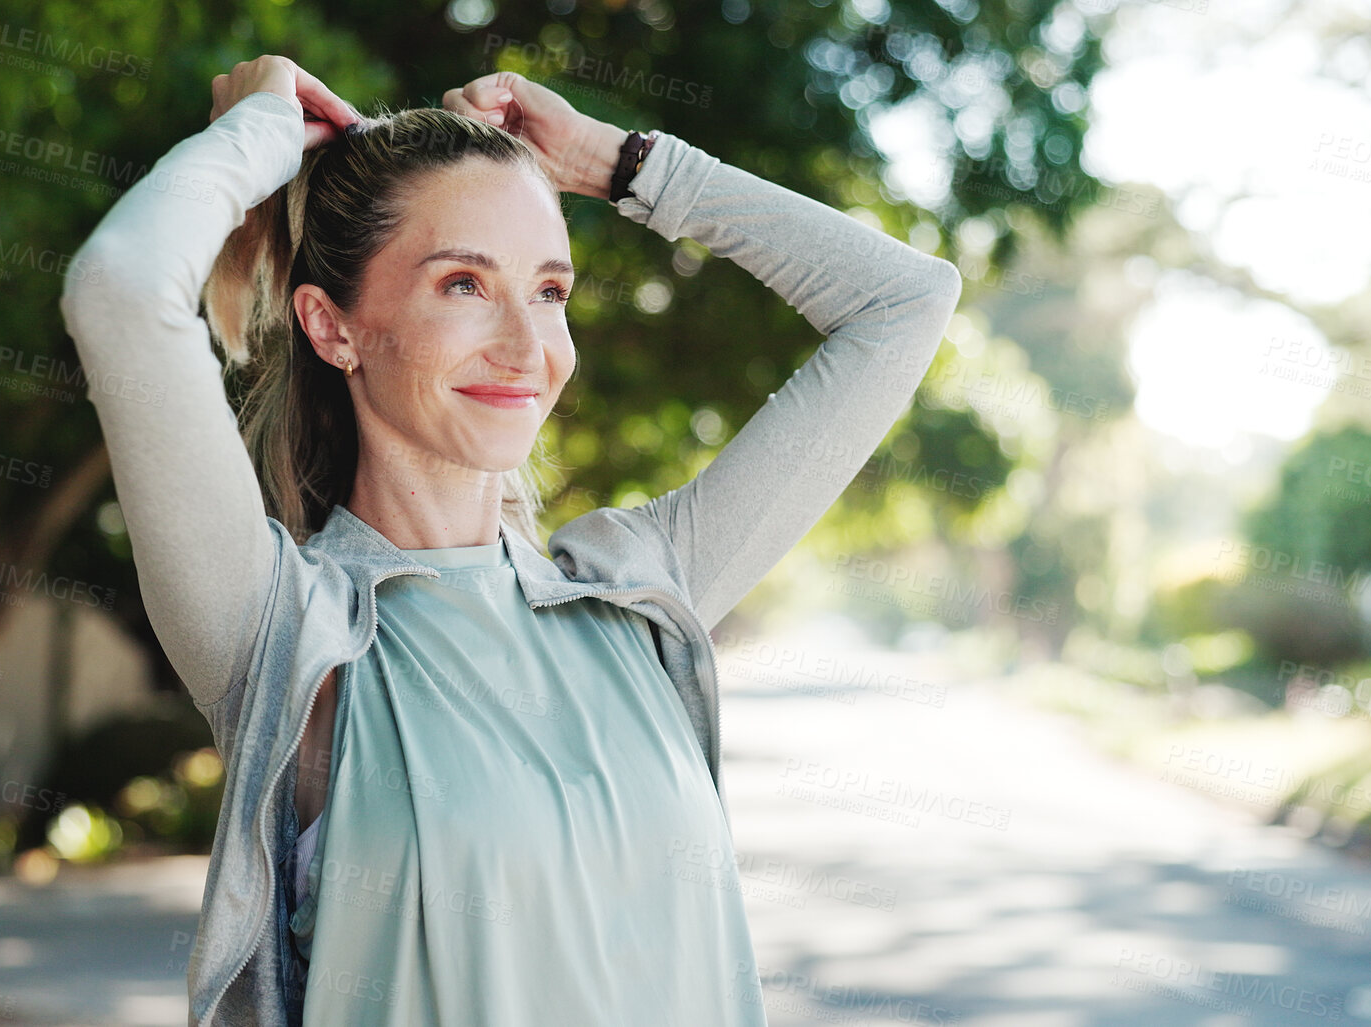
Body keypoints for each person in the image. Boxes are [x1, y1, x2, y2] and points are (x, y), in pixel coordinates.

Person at [59, 54, 962, 1027]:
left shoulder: (634, 593)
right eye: (462, 284)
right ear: (332, 326)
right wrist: (260, 133)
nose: (530, 349)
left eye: (548, 290)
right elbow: (121, 286)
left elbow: (905, 302)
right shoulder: (288, 631)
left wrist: (616, 163)